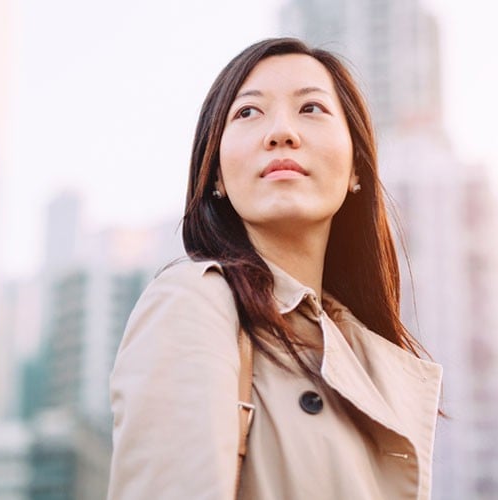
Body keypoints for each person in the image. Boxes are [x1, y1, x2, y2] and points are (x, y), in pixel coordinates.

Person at [106, 38, 443, 500]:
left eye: (311, 108)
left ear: (355, 170)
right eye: (247, 112)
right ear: (217, 174)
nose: (281, 132)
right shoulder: (194, 302)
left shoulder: (371, 362)